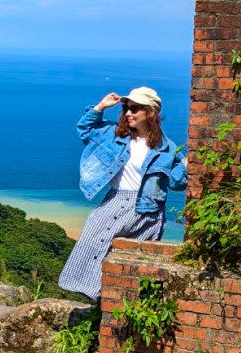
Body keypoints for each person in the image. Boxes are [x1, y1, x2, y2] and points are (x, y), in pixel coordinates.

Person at [57, 87, 186, 300]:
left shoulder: (167, 149)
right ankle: (95, 298)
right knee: (92, 241)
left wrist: (186, 165)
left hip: (147, 210)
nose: (128, 113)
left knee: (129, 259)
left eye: (135, 108)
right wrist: (101, 107)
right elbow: (85, 129)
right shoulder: (114, 134)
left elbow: (176, 183)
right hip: (115, 201)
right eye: (126, 108)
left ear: (151, 112)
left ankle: (114, 301)